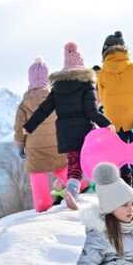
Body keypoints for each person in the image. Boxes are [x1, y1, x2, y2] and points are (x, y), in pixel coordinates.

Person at [23, 42, 112, 209]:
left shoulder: (57, 87)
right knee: (95, 159)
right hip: (85, 132)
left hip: (65, 133)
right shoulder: (86, 85)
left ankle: (71, 190)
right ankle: (104, 187)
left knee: (74, 163)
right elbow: (91, 112)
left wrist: (29, 126)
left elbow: (44, 109)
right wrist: (107, 124)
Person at [14, 57, 68, 212]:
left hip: (34, 146)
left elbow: (19, 127)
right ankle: (80, 187)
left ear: (30, 78)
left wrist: (20, 145)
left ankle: (43, 204)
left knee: (37, 172)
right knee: (61, 167)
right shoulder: (56, 97)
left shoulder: (24, 103)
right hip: (56, 142)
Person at [96, 31, 133, 188]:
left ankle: (125, 178)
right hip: (132, 116)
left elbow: (101, 96)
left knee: (117, 149)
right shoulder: (132, 67)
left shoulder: (102, 72)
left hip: (112, 117)